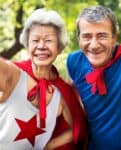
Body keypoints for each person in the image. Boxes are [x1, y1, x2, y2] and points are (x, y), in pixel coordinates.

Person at [0, 8, 87, 150]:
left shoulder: (63, 91)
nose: (41, 46)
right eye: (35, 40)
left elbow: (78, 128)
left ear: (59, 47)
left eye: (48, 41)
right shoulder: (13, 73)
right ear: (27, 44)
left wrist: (51, 145)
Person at [67, 5, 121, 150]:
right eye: (86, 36)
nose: (94, 45)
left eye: (102, 36)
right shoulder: (74, 62)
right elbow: (71, 96)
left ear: (114, 38)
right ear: (78, 38)